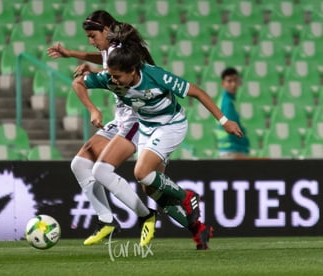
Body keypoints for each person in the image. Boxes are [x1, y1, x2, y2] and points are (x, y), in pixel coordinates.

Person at [72, 27, 244, 249]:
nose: (113, 81)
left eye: (117, 76)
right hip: (147, 128)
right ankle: (198, 231)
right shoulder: (111, 77)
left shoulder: (156, 76)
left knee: (141, 173)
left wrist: (224, 121)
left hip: (171, 125)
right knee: (151, 189)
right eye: (111, 76)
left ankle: (186, 196)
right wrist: (93, 110)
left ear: (133, 71)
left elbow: (197, 92)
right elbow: (78, 83)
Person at [48, 10, 202, 248]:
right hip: (122, 119)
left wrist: (94, 103)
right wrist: (73, 55)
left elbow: (110, 67)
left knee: (110, 173)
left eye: (92, 35)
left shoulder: (124, 53)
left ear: (107, 30)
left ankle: (147, 216)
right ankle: (107, 220)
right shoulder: (114, 48)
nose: (91, 41)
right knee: (80, 164)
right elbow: (103, 59)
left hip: (137, 120)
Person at [216, 67, 250, 159]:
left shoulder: (227, 100)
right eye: (229, 81)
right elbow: (232, 128)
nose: (233, 84)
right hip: (232, 150)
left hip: (229, 150)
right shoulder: (227, 103)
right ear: (223, 83)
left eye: (235, 80)